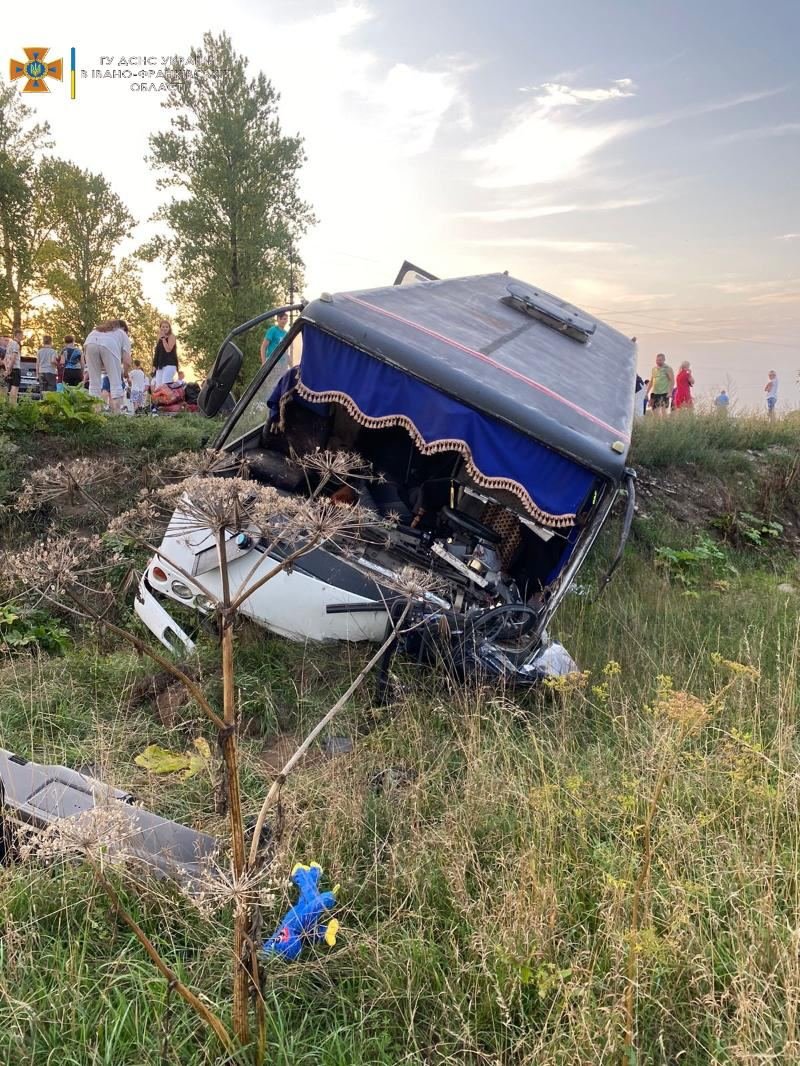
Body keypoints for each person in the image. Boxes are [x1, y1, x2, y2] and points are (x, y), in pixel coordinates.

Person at [83, 319, 131, 413]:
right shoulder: (122, 333)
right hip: (109, 346)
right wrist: (125, 373)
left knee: (94, 383)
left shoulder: (96, 330)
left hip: (90, 343)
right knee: (116, 383)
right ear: (124, 328)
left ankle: (94, 413)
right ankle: (116, 413)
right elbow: (127, 360)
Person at [152, 319, 178, 386]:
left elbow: (168, 350)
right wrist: (154, 365)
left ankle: (170, 396)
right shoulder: (159, 338)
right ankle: (159, 397)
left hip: (169, 364)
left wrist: (163, 338)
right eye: (163, 327)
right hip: (160, 365)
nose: (164, 328)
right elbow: (157, 352)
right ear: (160, 328)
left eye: (166, 327)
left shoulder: (172, 336)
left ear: (169, 328)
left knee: (165, 385)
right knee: (158, 387)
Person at [4, 329, 23, 405]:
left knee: (10, 388)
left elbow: (5, 359)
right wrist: (10, 369)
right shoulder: (16, 344)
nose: (22, 337)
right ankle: (13, 405)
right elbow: (14, 357)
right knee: (15, 387)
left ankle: (9, 404)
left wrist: (7, 368)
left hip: (9, 368)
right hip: (15, 368)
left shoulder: (9, 344)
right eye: (22, 335)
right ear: (18, 335)